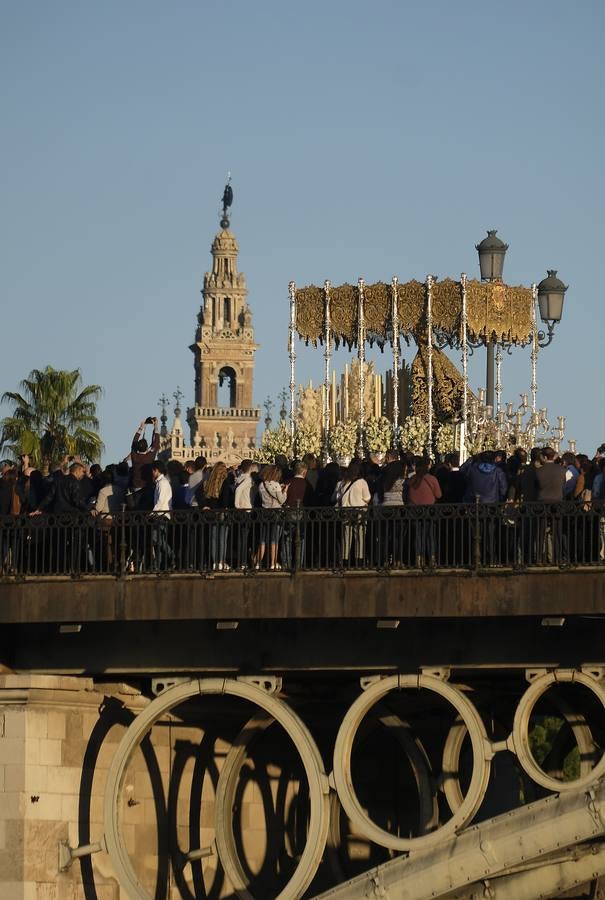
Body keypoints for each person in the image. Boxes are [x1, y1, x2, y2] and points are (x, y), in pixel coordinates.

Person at [333, 460, 371, 567]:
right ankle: (359, 559)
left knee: (346, 536)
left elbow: (337, 497)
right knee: (359, 536)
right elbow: (367, 498)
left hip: (346, 511)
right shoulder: (362, 482)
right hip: (359, 511)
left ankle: (345, 559)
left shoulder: (343, 482)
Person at [406, 457, 442, 568]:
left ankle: (418, 559)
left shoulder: (412, 480)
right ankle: (431, 559)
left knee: (418, 535)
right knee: (430, 535)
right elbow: (439, 495)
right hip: (429, 511)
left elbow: (408, 496)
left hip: (415, 511)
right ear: (427, 467)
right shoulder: (432, 479)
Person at [198, 462, 233, 571]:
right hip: (221, 512)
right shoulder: (225, 481)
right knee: (222, 538)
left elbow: (203, 496)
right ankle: (221, 561)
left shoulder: (209, 482)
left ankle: (214, 562)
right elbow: (226, 499)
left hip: (212, 513)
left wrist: (205, 506)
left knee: (213, 538)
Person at [257, 465, 287, 570]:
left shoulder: (261, 485)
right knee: (274, 539)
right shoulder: (276, 485)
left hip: (264, 512)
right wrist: (285, 491)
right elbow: (282, 500)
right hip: (276, 513)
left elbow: (262, 498)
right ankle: (273, 563)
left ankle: (257, 563)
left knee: (263, 539)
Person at [130, 417, 161, 491]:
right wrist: (156, 426)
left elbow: (134, 443)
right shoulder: (149, 457)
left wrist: (141, 428)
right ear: (147, 447)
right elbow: (156, 443)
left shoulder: (134, 456)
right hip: (147, 488)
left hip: (136, 487)